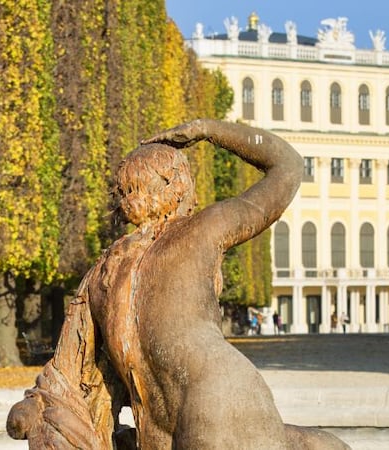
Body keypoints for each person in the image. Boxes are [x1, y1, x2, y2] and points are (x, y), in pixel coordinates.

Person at [85, 119, 349, 449]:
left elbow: (289, 167)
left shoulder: (109, 273)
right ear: (180, 186)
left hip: (198, 409)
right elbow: (289, 166)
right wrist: (207, 130)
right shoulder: (195, 232)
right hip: (207, 404)